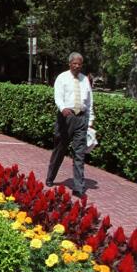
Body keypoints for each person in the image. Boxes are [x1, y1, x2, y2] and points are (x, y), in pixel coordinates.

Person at [45, 52, 95, 198]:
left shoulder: (85, 80)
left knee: (79, 153)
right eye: (75, 63)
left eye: (80, 64)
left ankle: (78, 187)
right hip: (66, 118)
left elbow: (89, 101)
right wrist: (62, 108)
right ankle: (50, 177)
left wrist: (90, 120)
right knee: (60, 149)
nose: (77, 66)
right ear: (70, 64)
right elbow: (58, 96)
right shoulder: (62, 78)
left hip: (81, 119)